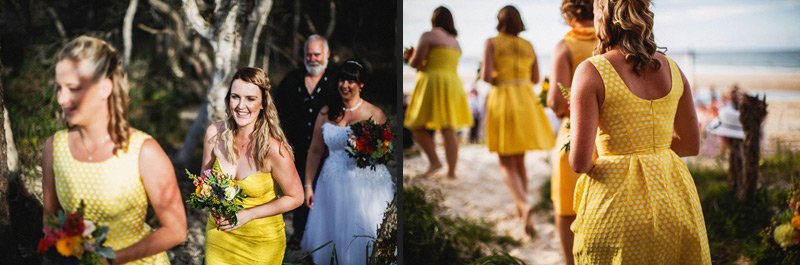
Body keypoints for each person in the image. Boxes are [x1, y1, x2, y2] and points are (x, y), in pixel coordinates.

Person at [568, 0, 711, 263]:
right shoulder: (674, 69)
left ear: (605, 15)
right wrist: (650, 150)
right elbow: (691, 144)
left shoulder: (591, 71)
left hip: (616, 206)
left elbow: (579, 162)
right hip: (673, 197)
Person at [42, 35, 186, 264]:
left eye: (73, 88)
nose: (61, 99)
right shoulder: (55, 147)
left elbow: (176, 230)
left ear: (104, 88)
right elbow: (50, 223)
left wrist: (111, 260)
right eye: (59, 88)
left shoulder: (144, 151)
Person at [202, 67, 304, 264]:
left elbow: (296, 197)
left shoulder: (273, 149)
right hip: (219, 235)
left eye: (250, 98)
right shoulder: (214, 135)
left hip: (261, 244)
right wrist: (211, 201)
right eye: (235, 97)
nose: (241, 106)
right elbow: (204, 181)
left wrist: (248, 215)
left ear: (263, 103)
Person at [301, 59, 395, 265]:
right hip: (331, 183)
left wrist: (366, 148)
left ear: (361, 84)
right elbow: (315, 150)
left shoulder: (375, 114)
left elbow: (386, 151)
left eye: (351, 81)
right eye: (342, 80)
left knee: (365, 233)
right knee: (333, 235)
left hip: (366, 185)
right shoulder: (327, 113)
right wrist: (308, 185)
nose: (345, 85)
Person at [481, 5, 554, 237]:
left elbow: (486, 76)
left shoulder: (491, 42)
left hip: (503, 96)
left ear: (498, 21)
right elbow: (535, 78)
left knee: (505, 158)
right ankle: (521, 204)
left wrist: (495, 75)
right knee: (519, 158)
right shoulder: (528, 45)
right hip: (525, 98)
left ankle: (523, 204)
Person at [273, 34, 338, 248]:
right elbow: (275, 111)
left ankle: (323, 237)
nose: (312, 58)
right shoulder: (292, 79)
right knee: (300, 192)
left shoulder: (337, 81)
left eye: (317, 54)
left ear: (327, 54)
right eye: (308, 54)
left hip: (328, 152)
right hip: (296, 149)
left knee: (325, 195)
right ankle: (299, 235)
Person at [545, 1, 597, 263]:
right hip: (609, 135)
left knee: (567, 207)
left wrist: (554, 104)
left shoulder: (565, 46)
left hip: (575, 131)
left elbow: (556, 100)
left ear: (568, 15)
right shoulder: (610, 41)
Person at [404, 6, 473, 178]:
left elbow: (416, 63)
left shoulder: (428, 35)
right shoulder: (455, 42)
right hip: (452, 83)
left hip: (432, 82)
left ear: (433, 20)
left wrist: (409, 57)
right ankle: (451, 172)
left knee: (415, 126)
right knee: (448, 129)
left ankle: (434, 161)